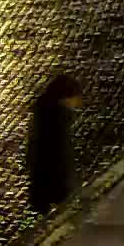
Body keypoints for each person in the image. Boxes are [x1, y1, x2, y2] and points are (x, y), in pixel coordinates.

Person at [26, 73, 83, 211]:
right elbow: (62, 158)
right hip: (56, 188)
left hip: (45, 186)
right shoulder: (58, 122)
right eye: (75, 97)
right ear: (64, 98)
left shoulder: (45, 115)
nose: (78, 102)